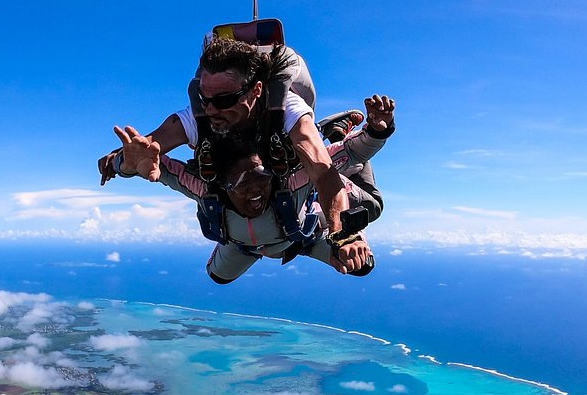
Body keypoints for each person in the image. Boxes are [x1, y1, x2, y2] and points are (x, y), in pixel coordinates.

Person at [112, 96, 395, 283]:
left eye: (261, 175)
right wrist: (120, 162)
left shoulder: (292, 178)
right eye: (240, 182)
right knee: (218, 277)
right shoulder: (203, 187)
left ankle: (334, 131)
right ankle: (328, 139)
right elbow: (151, 164)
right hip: (248, 245)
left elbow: (351, 152)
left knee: (369, 218)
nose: (254, 189)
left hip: (310, 233)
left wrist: (378, 130)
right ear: (222, 182)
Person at [100, 36, 359, 240]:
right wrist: (122, 164)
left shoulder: (290, 112)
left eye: (224, 100)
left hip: (281, 158)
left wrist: (341, 233)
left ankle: (330, 132)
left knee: (369, 203)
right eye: (205, 99)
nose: (211, 109)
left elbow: (324, 174)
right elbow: (146, 149)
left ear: (256, 91)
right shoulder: (196, 118)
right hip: (242, 178)